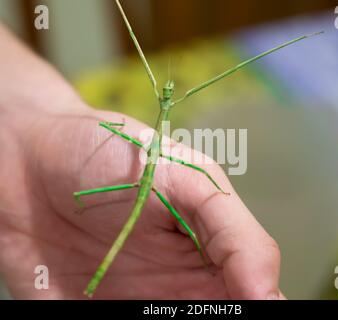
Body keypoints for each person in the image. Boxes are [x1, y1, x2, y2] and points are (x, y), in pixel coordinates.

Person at [0, 23, 283, 299]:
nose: (167, 95)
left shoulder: (153, 127)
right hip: (140, 187)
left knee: (92, 197)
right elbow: (198, 168)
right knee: (197, 221)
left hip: (142, 189)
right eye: (167, 96)